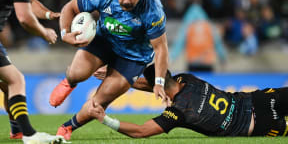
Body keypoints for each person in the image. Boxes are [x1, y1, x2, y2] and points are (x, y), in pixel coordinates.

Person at [50, 0, 169, 140]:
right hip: (104, 41)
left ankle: (67, 127)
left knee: (98, 103)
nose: (127, 0)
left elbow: (161, 48)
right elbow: (70, 7)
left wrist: (159, 82)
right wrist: (64, 33)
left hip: (133, 57)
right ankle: (70, 81)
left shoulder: (152, 8)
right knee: (77, 72)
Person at [89, 64, 288, 137]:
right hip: (260, 99)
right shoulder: (187, 79)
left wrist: (105, 119)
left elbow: (142, 131)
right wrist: (120, 77)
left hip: (260, 124)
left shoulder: (177, 113)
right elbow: (156, 84)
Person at [0, 0, 65, 143]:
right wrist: (45, 33)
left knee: (8, 83)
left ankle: (17, 131)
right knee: (16, 80)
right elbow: (25, 17)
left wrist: (50, 15)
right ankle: (29, 134)